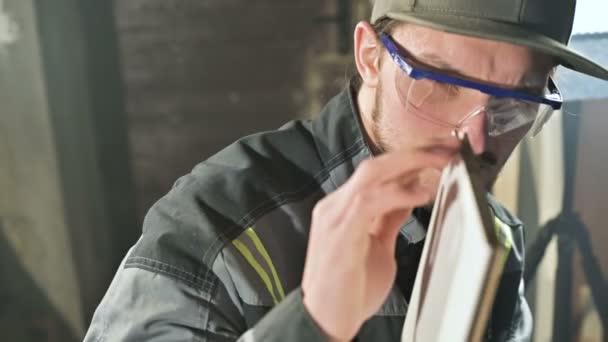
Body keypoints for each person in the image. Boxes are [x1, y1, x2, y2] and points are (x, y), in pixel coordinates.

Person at [84, 0, 608, 341]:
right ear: (370, 57)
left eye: (515, 104)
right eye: (440, 83)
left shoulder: (495, 241)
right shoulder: (215, 230)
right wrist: (315, 321)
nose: (475, 138)